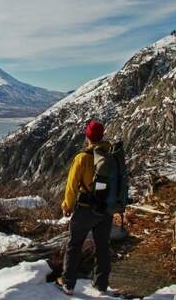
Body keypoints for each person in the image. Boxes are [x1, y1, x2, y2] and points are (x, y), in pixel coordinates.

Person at [55, 120, 115, 296]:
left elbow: (72, 185)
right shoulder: (111, 155)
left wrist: (67, 206)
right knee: (102, 246)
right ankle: (101, 285)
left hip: (85, 208)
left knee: (75, 245)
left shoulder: (82, 158)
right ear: (102, 135)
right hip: (105, 210)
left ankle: (68, 284)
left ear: (87, 136)